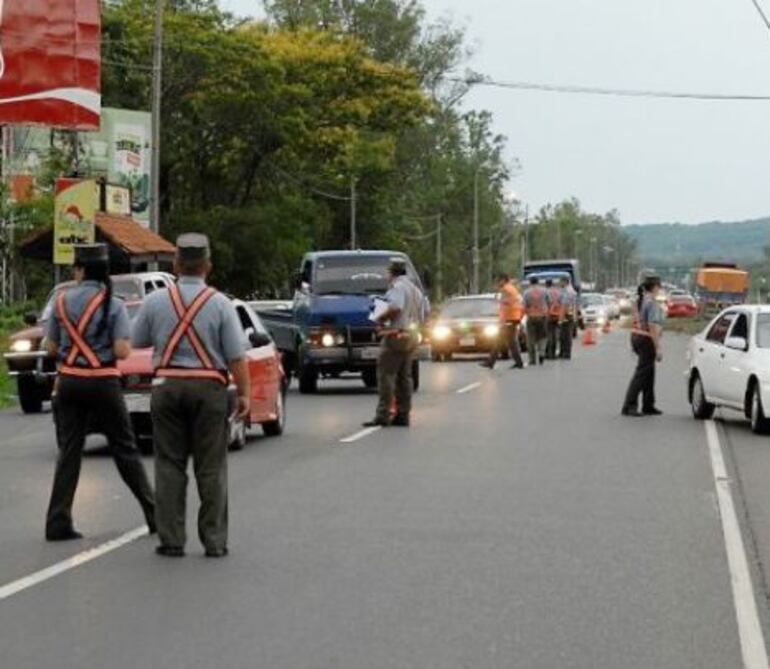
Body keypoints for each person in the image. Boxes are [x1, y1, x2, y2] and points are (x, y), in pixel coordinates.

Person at [131, 233, 250, 558]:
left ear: (176, 265)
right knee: (211, 467)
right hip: (209, 390)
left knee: (169, 464)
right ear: (207, 267)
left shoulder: (155, 301)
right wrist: (244, 395)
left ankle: (171, 540)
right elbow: (236, 355)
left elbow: (137, 341)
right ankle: (214, 541)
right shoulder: (221, 303)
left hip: (166, 388)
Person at [44, 244, 155, 541]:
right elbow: (121, 349)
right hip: (103, 382)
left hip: (69, 382)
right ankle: (154, 513)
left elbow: (51, 347)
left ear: (80, 270)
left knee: (70, 451)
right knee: (124, 448)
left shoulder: (61, 301)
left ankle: (57, 521)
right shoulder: (113, 304)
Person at [363, 258, 427, 427]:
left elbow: (395, 307)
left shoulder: (398, 288)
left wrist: (379, 317)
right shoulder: (415, 290)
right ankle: (403, 414)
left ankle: (383, 414)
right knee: (404, 377)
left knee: (386, 375)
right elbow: (424, 311)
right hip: (411, 335)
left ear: (391, 272)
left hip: (395, 336)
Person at [622, 276, 665, 417]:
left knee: (649, 372)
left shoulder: (640, 300)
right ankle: (629, 405)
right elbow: (652, 326)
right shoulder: (651, 303)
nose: (660, 290)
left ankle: (648, 404)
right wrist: (657, 347)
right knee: (641, 374)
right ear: (655, 287)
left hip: (636, 337)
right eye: (659, 287)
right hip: (646, 339)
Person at [480, 273, 524, 370]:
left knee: (504, 341)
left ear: (503, 280)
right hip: (513, 318)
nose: (497, 283)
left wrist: (503, 319)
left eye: (498, 281)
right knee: (507, 341)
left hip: (509, 318)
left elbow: (506, 304)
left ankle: (491, 362)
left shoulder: (506, 289)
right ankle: (492, 362)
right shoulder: (512, 288)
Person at [523, 276, 549, 365]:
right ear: (538, 282)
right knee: (542, 337)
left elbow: (524, 305)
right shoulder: (544, 291)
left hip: (531, 317)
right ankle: (542, 353)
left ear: (530, 282)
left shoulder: (527, 292)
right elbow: (548, 302)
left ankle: (532, 359)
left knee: (531, 339)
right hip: (542, 317)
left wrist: (527, 312)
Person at [557, 277, 578, 360]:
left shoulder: (567, 291)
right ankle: (564, 352)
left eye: (560, 282)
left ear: (565, 282)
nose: (559, 284)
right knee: (565, 335)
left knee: (565, 335)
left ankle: (565, 353)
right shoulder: (570, 290)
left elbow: (564, 305)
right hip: (570, 315)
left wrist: (560, 319)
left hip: (566, 315)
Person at [545, 278, 562, 359]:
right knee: (555, 335)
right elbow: (561, 303)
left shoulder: (546, 292)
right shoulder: (558, 292)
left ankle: (549, 354)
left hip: (549, 315)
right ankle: (554, 353)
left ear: (546, 284)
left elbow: (546, 303)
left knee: (549, 335)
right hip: (557, 315)